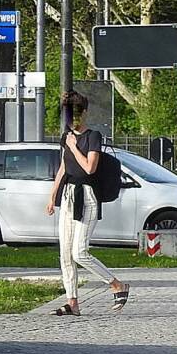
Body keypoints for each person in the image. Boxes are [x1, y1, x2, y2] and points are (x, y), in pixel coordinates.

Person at [45, 91, 128, 316]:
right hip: (69, 195)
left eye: (77, 113)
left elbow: (90, 168)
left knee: (79, 252)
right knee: (65, 253)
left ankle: (116, 285)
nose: (74, 119)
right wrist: (53, 195)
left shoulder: (93, 136)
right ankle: (72, 302)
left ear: (85, 113)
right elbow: (64, 166)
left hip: (88, 195)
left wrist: (73, 146)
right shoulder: (66, 136)